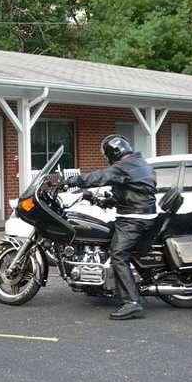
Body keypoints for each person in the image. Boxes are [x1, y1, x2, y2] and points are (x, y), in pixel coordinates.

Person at [64, 135, 157, 320]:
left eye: (106, 155)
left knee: (119, 254)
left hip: (134, 218)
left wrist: (73, 180)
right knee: (106, 239)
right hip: (138, 213)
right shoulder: (136, 162)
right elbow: (132, 191)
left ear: (112, 152)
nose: (107, 158)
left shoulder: (125, 165)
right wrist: (103, 200)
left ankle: (132, 303)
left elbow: (102, 176)